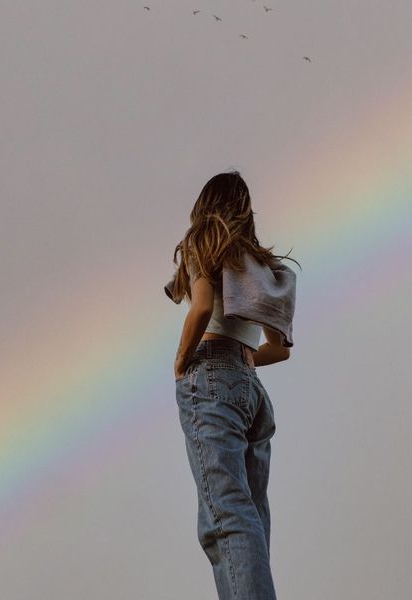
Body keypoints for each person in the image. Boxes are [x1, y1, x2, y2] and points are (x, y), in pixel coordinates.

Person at [164, 170, 300, 599]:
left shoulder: (201, 240)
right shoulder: (260, 265)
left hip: (212, 378)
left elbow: (202, 306)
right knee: (250, 517)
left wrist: (183, 359)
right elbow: (280, 349)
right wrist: (243, 361)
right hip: (251, 392)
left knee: (225, 517)